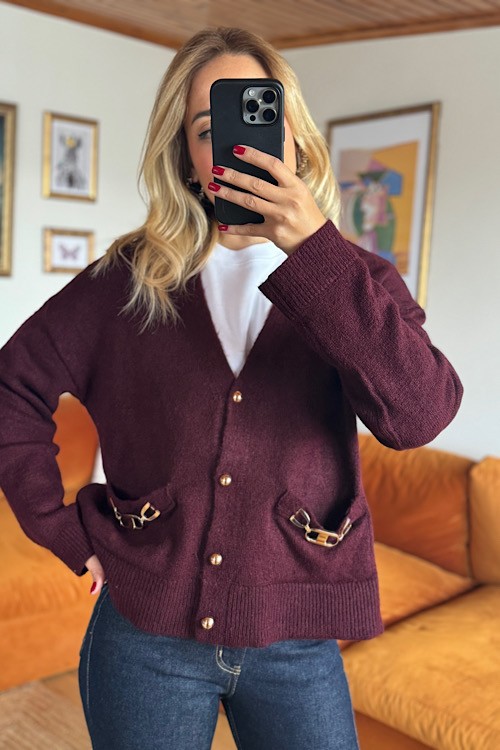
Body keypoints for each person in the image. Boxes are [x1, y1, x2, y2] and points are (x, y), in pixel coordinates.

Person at [0, 26, 463, 750]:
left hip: (298, 642)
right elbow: (11, 389)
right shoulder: (126, 283)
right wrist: (57, 528)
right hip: (143, 638)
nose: (233, 146)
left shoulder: (358, 281)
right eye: (207, 129)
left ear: (293, 138)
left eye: (255, 119)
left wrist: (314, 250)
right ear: (185, 158)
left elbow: (420, 415)